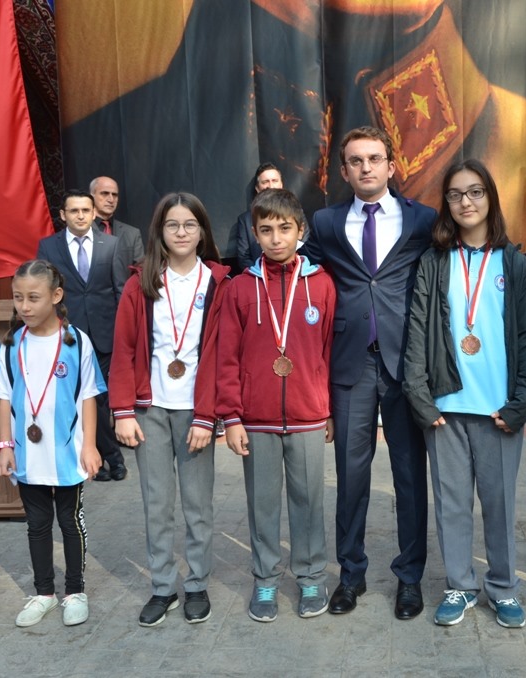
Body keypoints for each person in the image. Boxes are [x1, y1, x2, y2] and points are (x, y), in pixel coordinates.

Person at [302, 126, 436, 620]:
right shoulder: (326, 222)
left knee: (409, 476)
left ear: (391, 165)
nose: (366, 167)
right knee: (351, 475)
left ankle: (410, 578)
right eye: (356, 160)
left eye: (374, 158)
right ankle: (350, 575)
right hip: (351, 363)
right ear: (344, 170)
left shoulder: (422, 219)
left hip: (406, 364)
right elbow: (302, 272)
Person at [403, 159, 526, 628]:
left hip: (499, 409)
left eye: (476, 192)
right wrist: (420, 398)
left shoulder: (514, 263)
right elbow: (417, 331)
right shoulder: (434, 261)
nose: (466, 202)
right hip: (445, 408)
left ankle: (503, 587)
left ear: (490, 198)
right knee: (452, 504)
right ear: (446, 203)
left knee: (499, 506)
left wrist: (523, 402)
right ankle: (459, 585)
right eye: (456, 194)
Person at [109, 192, 229, 627]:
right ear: (159, 231)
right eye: (172, 224)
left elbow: (222, 355)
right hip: (151, 410)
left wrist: (208, 416)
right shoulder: (140, 283)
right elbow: (124, 350)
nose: (181, 232)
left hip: (195, 411)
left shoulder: (218, 283)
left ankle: (196, 583)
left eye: (189, 225)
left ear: (202, 232)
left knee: (197, 505)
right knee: (156, 504)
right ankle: (163, 586)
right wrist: (123, 411)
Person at [217, 188, 336, 622]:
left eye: (285, 228)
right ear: (254, 233)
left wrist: (328, 409)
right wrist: (232, 417)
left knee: (309, 501)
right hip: (257, 418)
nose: (276, 238)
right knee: (262, 503)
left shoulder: (321, 285)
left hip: (308, 416)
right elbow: (227, 357)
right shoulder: (239, 288)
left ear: (300, 231)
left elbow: (329, 352)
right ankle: (265, 578)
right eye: (266, 230)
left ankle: (311, 576)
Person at [0, 260, 104, 628]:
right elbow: (3, 397)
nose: (24, 306)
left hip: (67, 452)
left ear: (56, 296)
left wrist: (89, 445)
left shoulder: (76, 342)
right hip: (28, 453)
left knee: (70, 522)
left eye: (33, 298)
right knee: (37, 524)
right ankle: (44, 592)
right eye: (18, 298)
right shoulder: (12, 344)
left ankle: (75, 591)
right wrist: (5, 445)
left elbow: (88, 396)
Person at [37, 190, 129, 482]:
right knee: (76, 396)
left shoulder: (111, 245)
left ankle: (108, 457)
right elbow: (44, 291)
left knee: (99, 397)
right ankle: (102, 457)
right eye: (74, 211)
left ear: (93, 214)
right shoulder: (48, 247)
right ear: (63, 215)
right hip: (67, 334)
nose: (80, 216)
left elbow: (121, 290)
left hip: (104, 334)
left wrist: (123, 333)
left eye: (85, 211)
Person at [228, 163, 284, 271]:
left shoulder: (297, 213)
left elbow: (304, 248)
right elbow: (244, 259)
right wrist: (264, 274)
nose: (270, 186)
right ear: (257, 188)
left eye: (274, 181)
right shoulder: (245, 220)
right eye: (265, 182)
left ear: (281, 185)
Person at [91, 176, 145, 264]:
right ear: (91, 196)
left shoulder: (132, 234)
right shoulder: (81, 230)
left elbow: (139, 269)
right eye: (105, 193)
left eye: (114, 195)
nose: (111, 199)